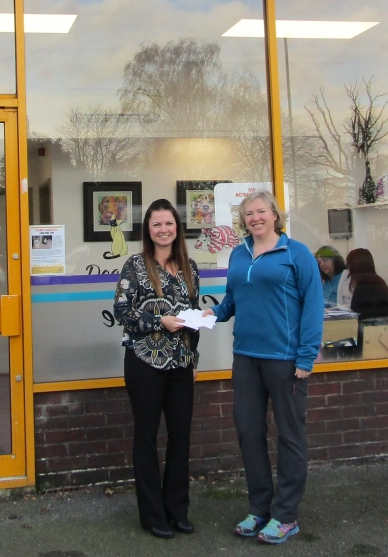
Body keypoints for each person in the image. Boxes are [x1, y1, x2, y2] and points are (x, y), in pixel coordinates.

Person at [203, 190, 323, 545]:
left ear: (274, 215)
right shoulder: (239, 254)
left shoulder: (296, 253)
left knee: (290, 435)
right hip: (246, 357)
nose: (254, 217)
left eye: (260, 211)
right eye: (248, 213)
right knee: (249, 432)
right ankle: (259, 509)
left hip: (285, 360)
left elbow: (313, 306)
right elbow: (233, 300)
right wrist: (214, 313)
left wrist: (306, 357)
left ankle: (285, 516)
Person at [113, 199, 200, 540]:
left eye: (169, 224)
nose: (163, 230)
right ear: (148, 231)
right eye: (156, 225)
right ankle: (152, 516)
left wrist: (195, 358)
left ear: (176, 228)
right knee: (147, 439)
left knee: (181, 437)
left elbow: (192, 318)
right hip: (144, 363)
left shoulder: (190, 266)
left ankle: (177, 511)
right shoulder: (135, 266)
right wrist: (157, 321)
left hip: (181, 364)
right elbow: (121, 311)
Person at [344, 248, 388, 320]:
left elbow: (357, 314)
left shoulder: (362, 287)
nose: (348, 269)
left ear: (354, 266)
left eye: (348, 265)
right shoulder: (379, 282)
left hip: (367, 328)